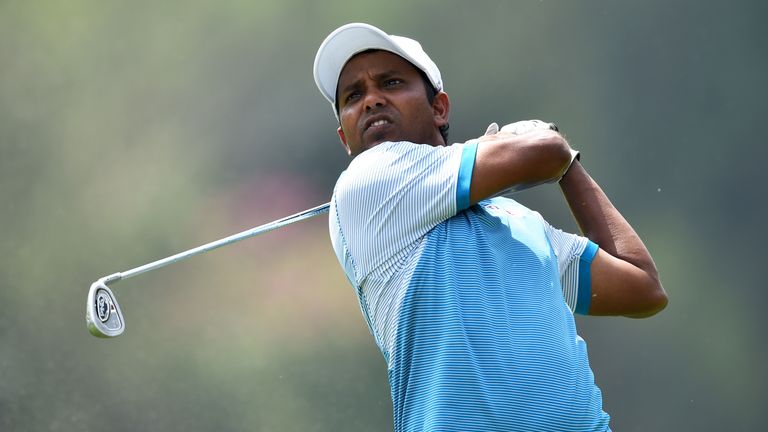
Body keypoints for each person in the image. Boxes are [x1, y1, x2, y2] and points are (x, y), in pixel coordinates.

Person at [313, 23, 667, 432]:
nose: (372, 100)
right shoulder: (367, 182)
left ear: (439, 108)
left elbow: (642, 288)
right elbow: (545, 151)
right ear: (345, 138)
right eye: (353, 96)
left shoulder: (519, 222)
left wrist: (569, 167)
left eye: (390, 83)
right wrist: (548, 146)